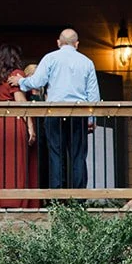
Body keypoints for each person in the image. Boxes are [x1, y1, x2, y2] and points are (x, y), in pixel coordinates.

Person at [19, 28, 100, 192]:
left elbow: (37, 82)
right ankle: (78, 197)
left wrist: (21, 82)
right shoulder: (87, 62)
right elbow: (93, 95)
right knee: (78, 156)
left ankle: (57, 197)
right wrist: (92, 119)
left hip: (54, 113)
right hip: (79, 114)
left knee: (56, 155)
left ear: (58, 42)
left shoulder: (50, 58)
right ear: (77, 44)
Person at [0, 44, 40, 208]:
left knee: (0, 163)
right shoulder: (16, 74)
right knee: (16, 162)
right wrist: (30, 126)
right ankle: (15, 200)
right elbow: (20, 102)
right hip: (14, 122)